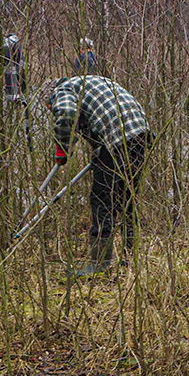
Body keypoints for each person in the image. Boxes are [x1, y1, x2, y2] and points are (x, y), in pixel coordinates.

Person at [47, 75, 150, 276]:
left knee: (102, 199)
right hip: (140, 134)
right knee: (128, 199)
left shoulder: (62, 90)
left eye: (49, 107)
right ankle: (132, 257)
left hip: (117, 140)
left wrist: (62, 148)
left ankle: (100, 263)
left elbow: (66, 114)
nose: (51, 110)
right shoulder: (90, 82)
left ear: (50, 97)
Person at [0, 33, 24, 103]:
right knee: (15, 78)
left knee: (10, 78)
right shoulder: (14, 42)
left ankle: (13, 96)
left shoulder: (3, 45)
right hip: (15, 63)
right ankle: (18, 95)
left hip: (8, 64)